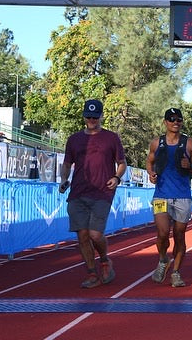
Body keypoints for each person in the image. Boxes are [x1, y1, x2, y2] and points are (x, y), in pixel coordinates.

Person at [59, 99, 127, 288]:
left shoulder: (112, 138)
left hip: (103, 192)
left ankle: (105, 260)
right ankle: (91, 273)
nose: (92, 120)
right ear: (84, 116)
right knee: (82, 235)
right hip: (78, 192)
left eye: (95, 117)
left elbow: (122, 163)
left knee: (95, 235)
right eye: (89, 117)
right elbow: (66, 164)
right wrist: (64, 179)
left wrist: (116, 177)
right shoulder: (74, 139)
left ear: (101, 116)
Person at [146, 108, 192, 288]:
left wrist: (190, 166)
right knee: (162, 234)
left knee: (179, 235)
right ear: (165, 122)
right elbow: (149, 161)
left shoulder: (189, 143)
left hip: (182, 197)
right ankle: (163, 260)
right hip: (161, 195)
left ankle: (176, 272)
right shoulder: (156, 143)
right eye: (171, 119)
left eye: (178, 119)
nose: (175, 122)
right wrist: (150, 173)